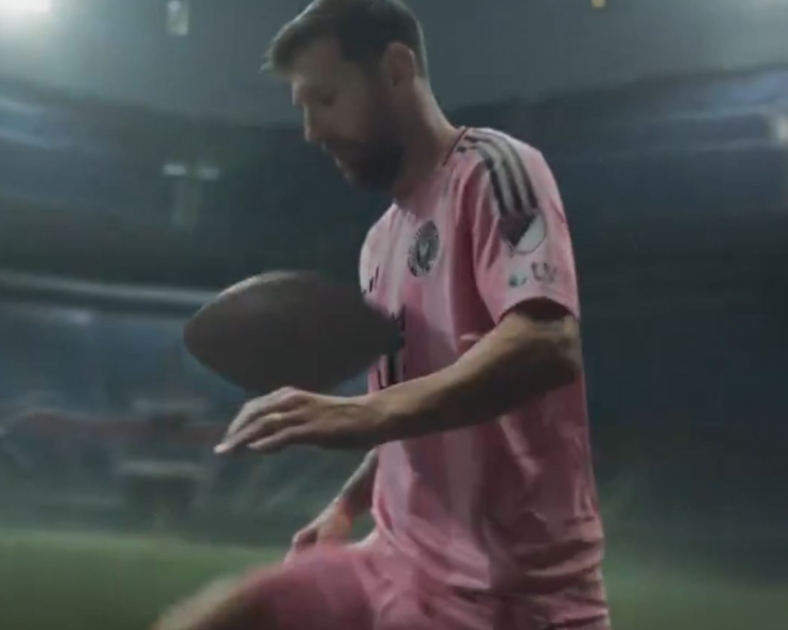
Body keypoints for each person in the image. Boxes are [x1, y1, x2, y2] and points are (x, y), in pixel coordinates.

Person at [157, 1, 607, 628]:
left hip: (507, 597)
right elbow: (418, 408)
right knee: (222, 617)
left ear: (397, 70)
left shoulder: (495, 170)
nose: (311, 130)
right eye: (304, 108)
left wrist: (360, 413)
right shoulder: (378, 245)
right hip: (396, 558)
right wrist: (347, 504)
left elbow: (546, 342)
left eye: (327, 99)